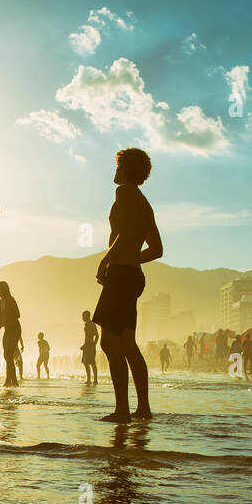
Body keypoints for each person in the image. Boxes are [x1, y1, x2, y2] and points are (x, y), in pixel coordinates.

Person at [93, 147, 161, 422]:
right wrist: (132, 258)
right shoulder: (144, 201)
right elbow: (156, 249)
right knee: (127, 344)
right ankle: (142, 408)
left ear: (125, 169)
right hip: (132, 275)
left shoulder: (125, 192)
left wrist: (106, 261)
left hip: (121, 275)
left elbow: (126, 231)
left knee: (110, 344)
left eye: (118, 165)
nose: (115, 170)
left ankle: (122, 410)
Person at [0, 281, 22, 387]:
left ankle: (13, 381)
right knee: (6, 355)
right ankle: (10, 379)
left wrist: (7, 317)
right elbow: (1, 320)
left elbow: (18, 314)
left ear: (3, 289)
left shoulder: (10, 300)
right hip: (7, 330)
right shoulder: (1, 301)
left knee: (8, 355)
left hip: (15, 329)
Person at [81, 311, 100, 385]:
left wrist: (93, 344)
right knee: (86, 363)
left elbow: (96, 335)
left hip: (90, 346)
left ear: (87, 316)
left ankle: (95, 380)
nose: (82, 318)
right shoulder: (86, 325)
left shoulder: (91, 324)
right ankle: (89, 379)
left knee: (92, 363)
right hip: (87, 346)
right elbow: (87, 337)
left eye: (83, 316)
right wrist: (84, 345)